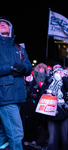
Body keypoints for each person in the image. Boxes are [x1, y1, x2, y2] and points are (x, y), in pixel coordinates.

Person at [0, 17, 32, 150]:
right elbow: (9, 67)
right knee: (16, 134)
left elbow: (28, 66)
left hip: (18, 95)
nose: (2, 24)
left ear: (11, 28)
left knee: (3, 135)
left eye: (5, 23)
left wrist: (23, 69)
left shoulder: (19, 47)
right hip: (5, 96)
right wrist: (11, 68)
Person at [39, 65, 68, 150]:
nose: (58, 73)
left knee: (65, 139)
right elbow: (41, 96)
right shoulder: (48, 82)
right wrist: (46, 95)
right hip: (51, 113)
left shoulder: (66, 81)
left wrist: (64, 78)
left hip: (65, 113)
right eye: (57, 71)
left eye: (60, 71)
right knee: (52, 139)